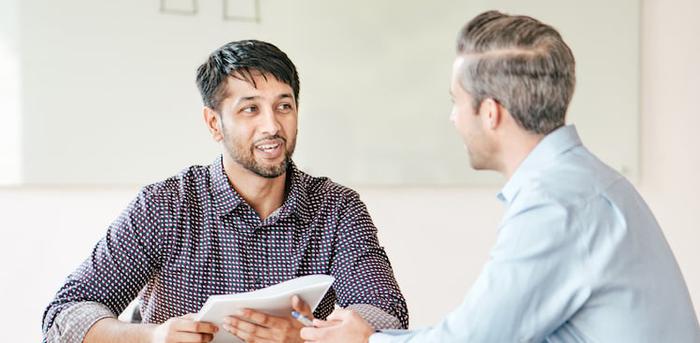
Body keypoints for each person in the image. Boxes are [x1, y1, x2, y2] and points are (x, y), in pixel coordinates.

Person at [300, 10, 700, 343]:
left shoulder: (556, 204)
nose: (453, 118)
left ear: (491, 114)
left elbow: (475, 338)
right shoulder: (588, 182)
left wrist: (366, 340)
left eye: (456, 102)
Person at [42, 40, 408, 343]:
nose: (272, 126)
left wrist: (306, 337)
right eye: (250, 109)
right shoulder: (165, 205)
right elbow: (64, 317)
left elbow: (387, 315)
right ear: (214, 123)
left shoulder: (337, 207)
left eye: (284, 106)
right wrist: (153, 337)